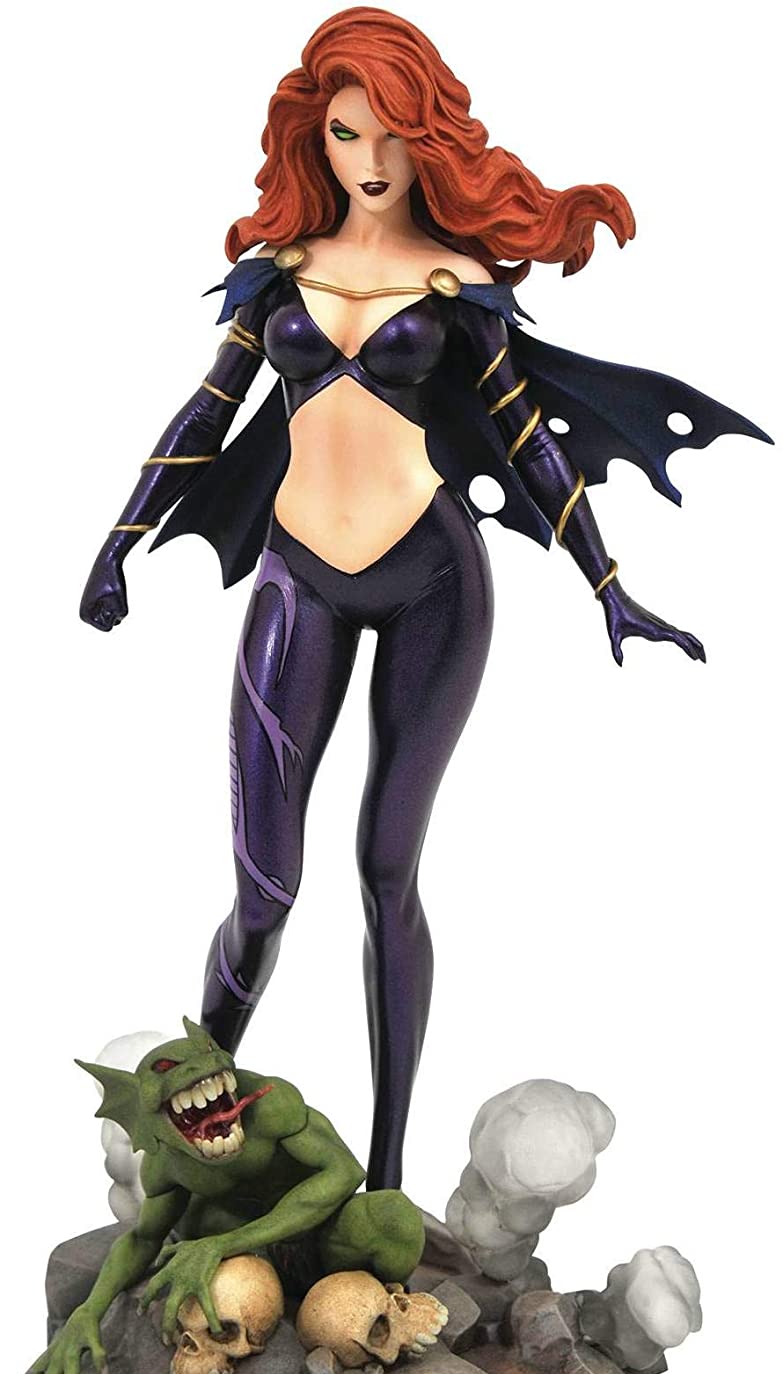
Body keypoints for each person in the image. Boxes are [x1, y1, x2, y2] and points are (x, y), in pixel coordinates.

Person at [78, 8, 769, 1191]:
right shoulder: (279, 272)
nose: (373, 159)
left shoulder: (458, 285)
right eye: (349, 133)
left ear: (427, 137)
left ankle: (387, 1179)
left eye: (395, 133)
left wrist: (610, 585)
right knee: (263, 889)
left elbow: (527, 438)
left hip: (434, 582)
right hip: (297, 573)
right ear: (318, 138)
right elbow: (206, 413)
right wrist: (119, 541)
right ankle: (190, 1131)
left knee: (388, 871)